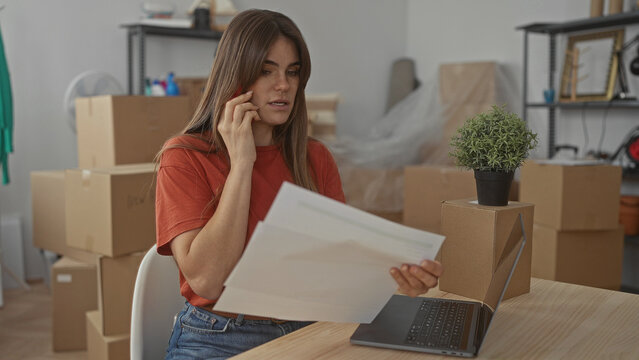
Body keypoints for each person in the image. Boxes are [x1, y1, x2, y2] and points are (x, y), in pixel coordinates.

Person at [155, 9, 443, 359]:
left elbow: (336, 269)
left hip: (308, 329)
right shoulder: (185, 157)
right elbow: (207, 281)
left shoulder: (315, 158)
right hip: (217, 337)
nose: (284, 85)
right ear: (236, 78)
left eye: (293, 72)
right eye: (266, 71)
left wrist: (396, 280)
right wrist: (243, 163)